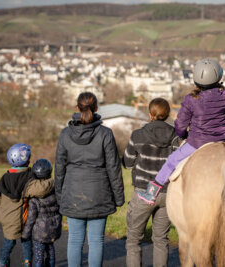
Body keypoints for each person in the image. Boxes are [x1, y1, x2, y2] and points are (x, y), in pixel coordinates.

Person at [138, 58, 225, 204]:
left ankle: (152, 192)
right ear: (218, 77)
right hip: (223, 142)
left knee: (172, 161)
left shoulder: (190, 100)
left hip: (196, 143)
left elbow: (180, 125)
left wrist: (184, 135)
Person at [55, 92, 125, 267]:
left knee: (74, 240)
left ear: (78, 108)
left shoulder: (65, 134)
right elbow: (114, 169)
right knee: (96, 241)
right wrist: (119, 198)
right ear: (96, 108)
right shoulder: (105, 134)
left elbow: (59, 170)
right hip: (99, 195)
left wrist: (59, 196)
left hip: (72, 194)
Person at [123, 98, 181, 267]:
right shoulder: (176, 136)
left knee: (133, 239)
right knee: (161, 239)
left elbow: (127, 163)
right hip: (167, 193)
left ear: (150, 114)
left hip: (143, 192)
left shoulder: (138, 135)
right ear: (168, 114)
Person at [0, 143, 55, 267]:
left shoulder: (4, 177)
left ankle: (2, 262)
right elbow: (41, 189)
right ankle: (27, 262)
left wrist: (0, 215)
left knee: (8, 242)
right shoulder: (27, 178)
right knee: (26, 242)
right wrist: (53, 181)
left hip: (7, 219)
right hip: (23, 219)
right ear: (26, 160)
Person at [22, 158, 62, 267]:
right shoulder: (56, 191)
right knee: (51, 252)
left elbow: (31, 219)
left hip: (39, 233)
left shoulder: (34, 198)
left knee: (39, 256)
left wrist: (25, 234)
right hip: (53, 229)